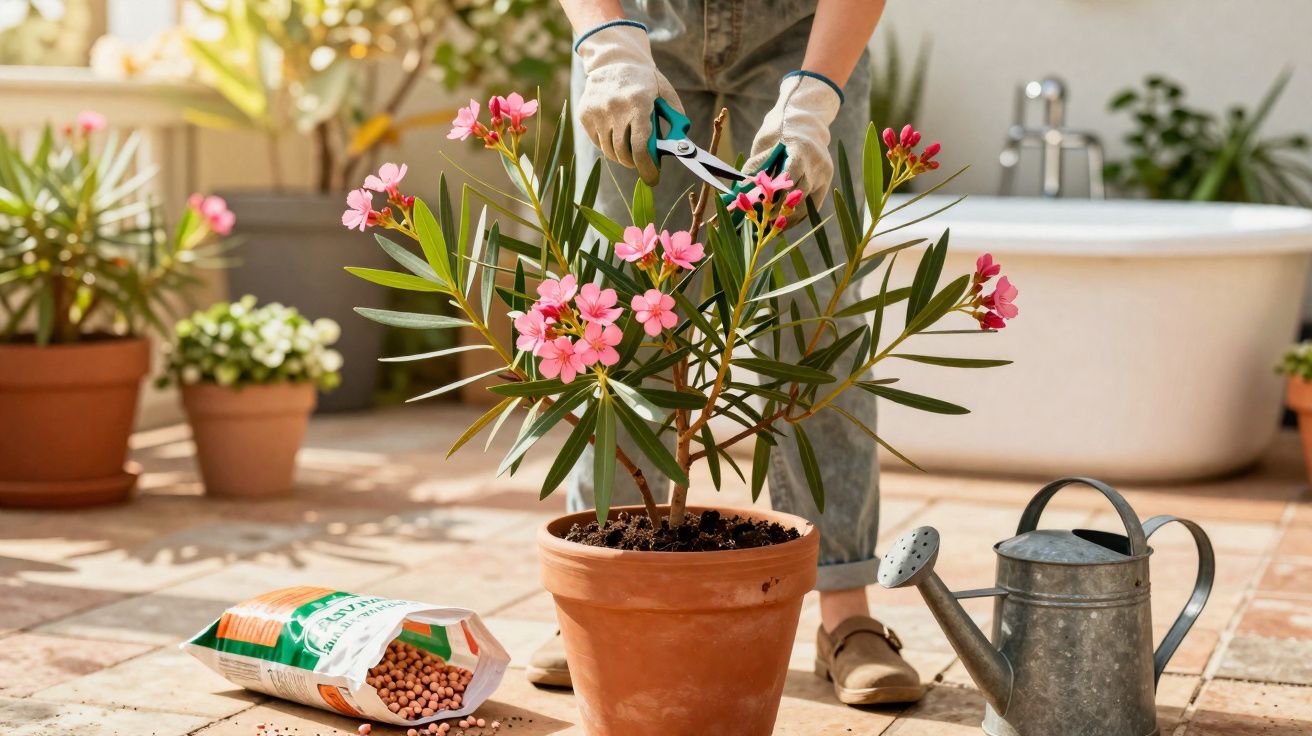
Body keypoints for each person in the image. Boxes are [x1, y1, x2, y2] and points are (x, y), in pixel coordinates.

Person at [527, 0, 923, 707]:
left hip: (804, 35)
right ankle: (602, 590)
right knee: (614, 312)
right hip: (638, 27)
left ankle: (846, 612)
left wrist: (815, 98)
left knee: (816, 320)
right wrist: (608, 44)